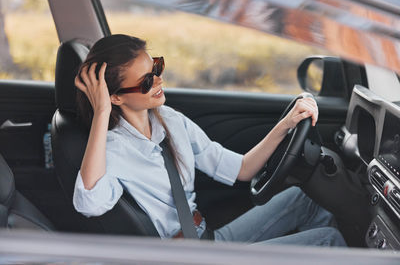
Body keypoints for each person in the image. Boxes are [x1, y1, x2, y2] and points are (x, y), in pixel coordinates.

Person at [73, 34, 346, 246]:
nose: (158, 81)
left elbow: (241, 168)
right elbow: (90, 203)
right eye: (146, 82)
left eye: (157, 67)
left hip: (208, 239)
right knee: (327, 241)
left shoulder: (170, 120)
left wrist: (286, 125)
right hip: (185, 256)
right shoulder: (113, 149)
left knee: (304, 198)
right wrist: (101, 113)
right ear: (116, 97)